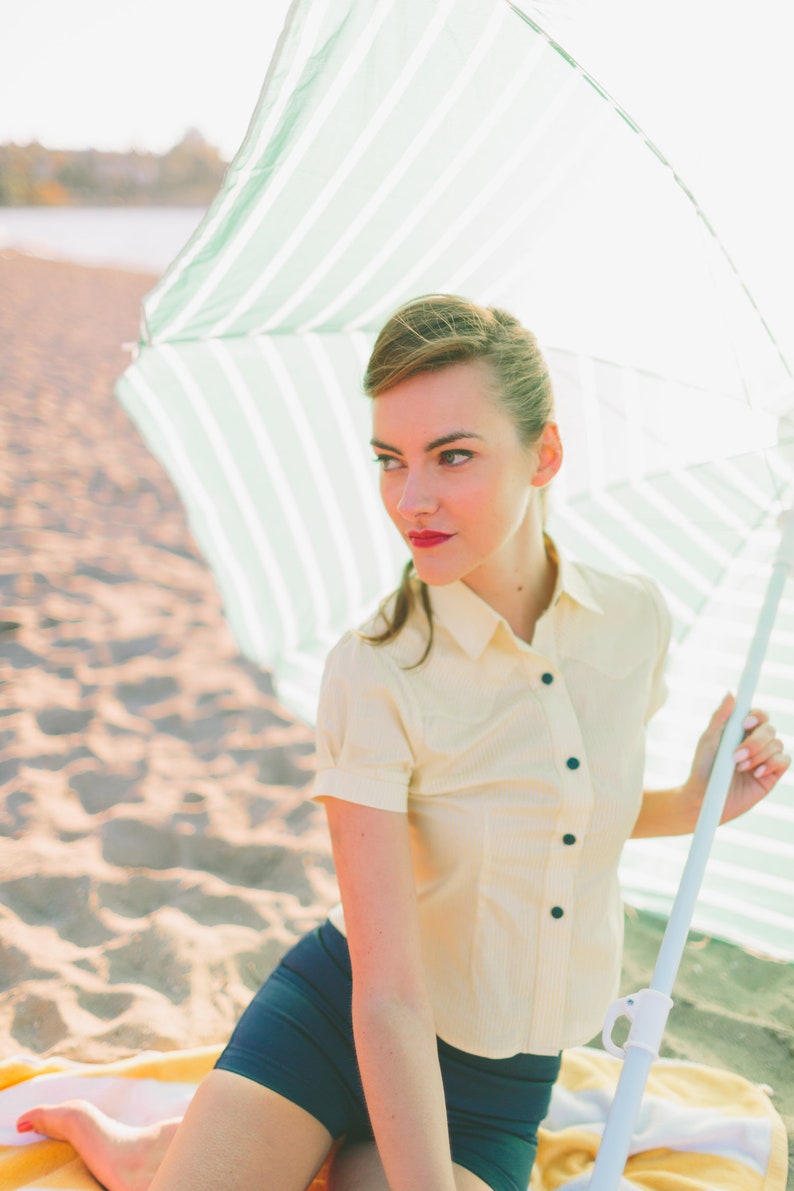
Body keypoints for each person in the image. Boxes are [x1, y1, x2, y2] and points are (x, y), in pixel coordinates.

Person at [17, 295, 790, 1191]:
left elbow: (561, 820)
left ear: (545, 454)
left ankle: (227, 1151)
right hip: (341, 1023)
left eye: (452, 455)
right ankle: (159, 1155)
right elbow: (384, 994)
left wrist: (696, 806)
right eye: (392, 460)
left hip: (494, 1088)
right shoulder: (376, 670)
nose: (411, 499)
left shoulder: (631, 623)